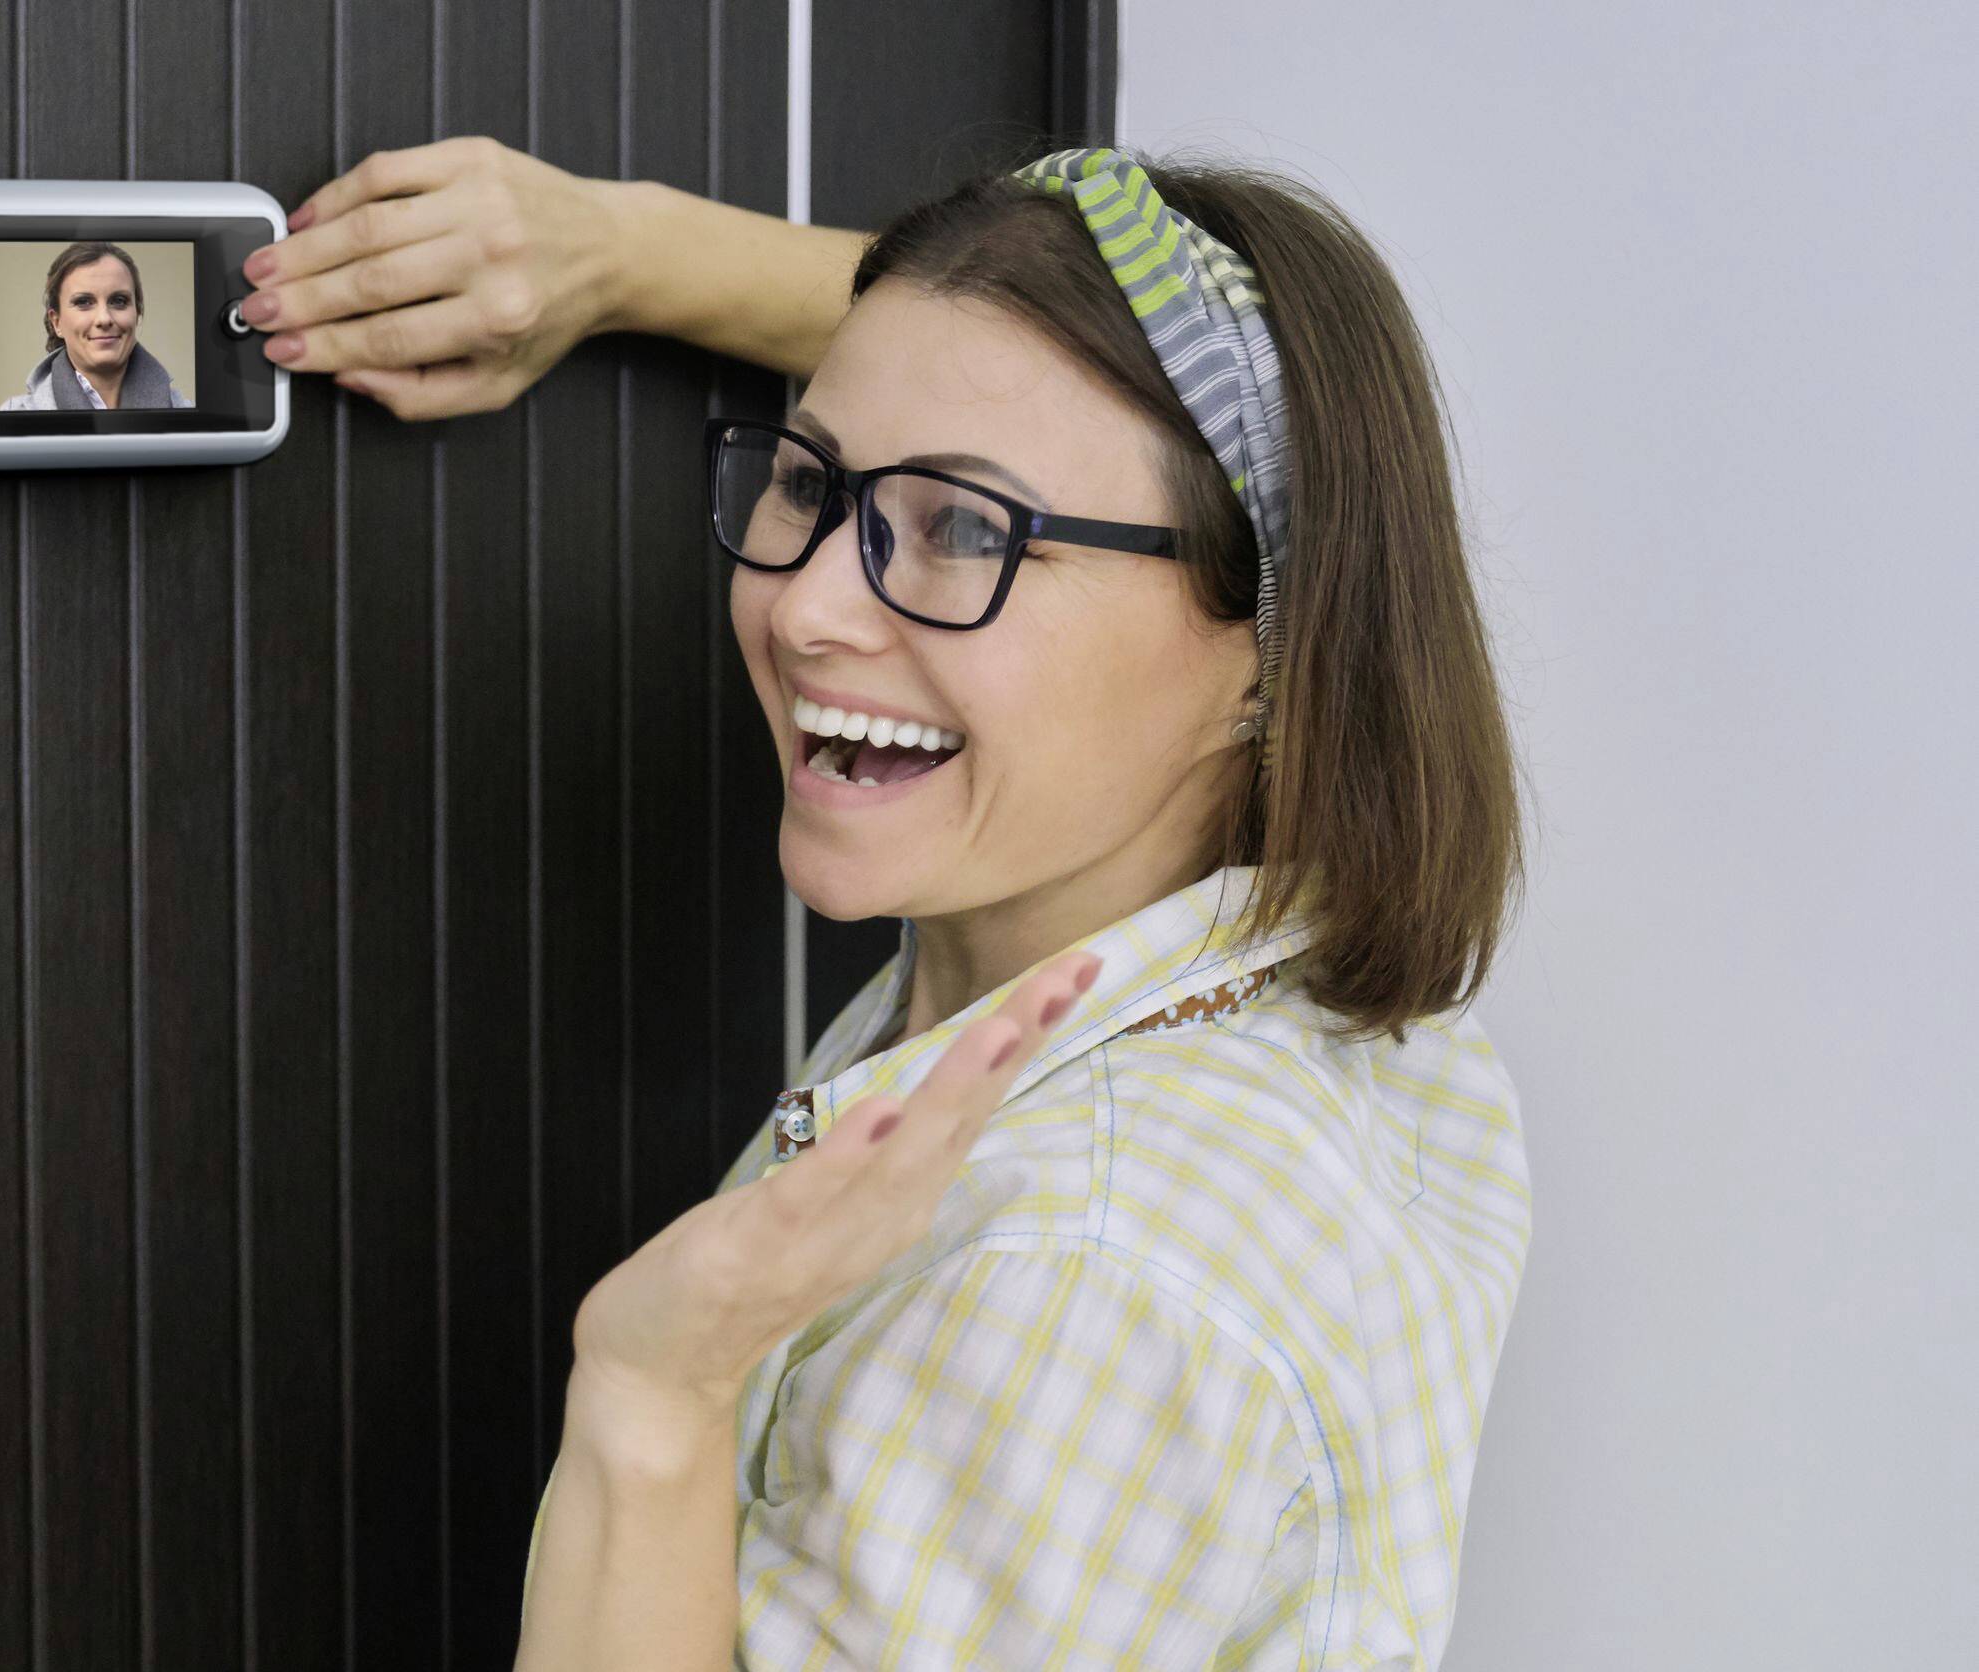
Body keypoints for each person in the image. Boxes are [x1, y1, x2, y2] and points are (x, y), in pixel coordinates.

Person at [245, 139, 1531, 1668]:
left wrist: (651, 1397)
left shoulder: (1069, 1285)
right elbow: (1032, 392)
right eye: (807, 482)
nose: (805, 605)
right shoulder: (1291, 993)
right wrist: (624, 253)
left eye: (968, 533)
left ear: (1268, 639)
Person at [0, 240, 194, 411]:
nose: (104, 318)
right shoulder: (11, 418)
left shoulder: (188, 416)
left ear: (137, 314)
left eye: (118, 301)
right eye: (83, 302)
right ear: (56, 322)